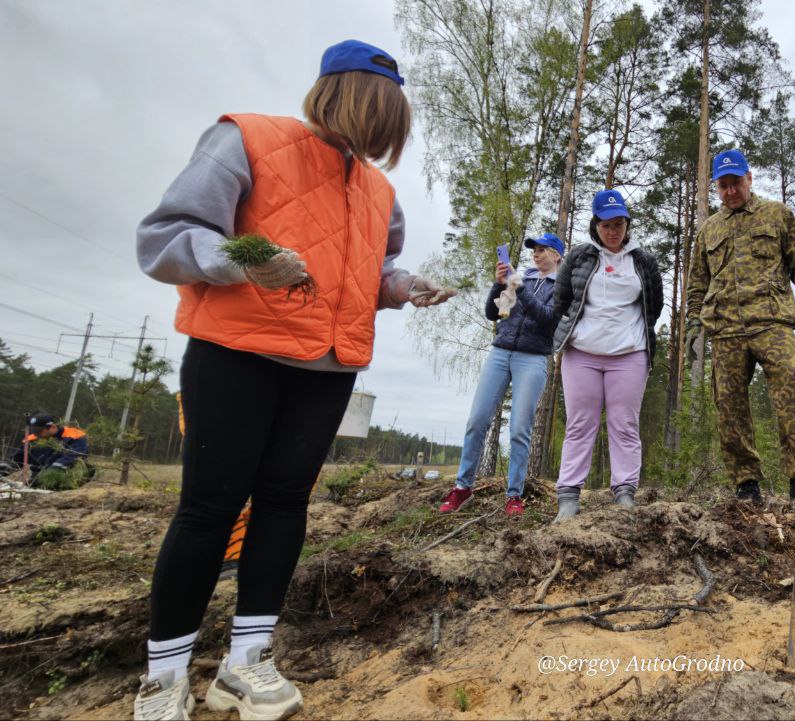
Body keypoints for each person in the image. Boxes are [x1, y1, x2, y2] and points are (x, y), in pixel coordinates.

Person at [134, 40, 454, 720]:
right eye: (377, 118)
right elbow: (165, 237)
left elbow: (365, 273)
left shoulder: (380, 192)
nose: (380, 138)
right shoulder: (246, 140)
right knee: (209, 507)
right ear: (344, 98)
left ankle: (246, 663)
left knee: (284, 504)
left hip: (326, 368)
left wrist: (403, 286)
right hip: (237, 352)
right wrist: (244, 260)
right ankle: (163, 677)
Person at [684, 149, 795, 516]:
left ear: (749, 179)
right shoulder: (709, 229)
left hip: (771, 322)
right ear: (716, 187)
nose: (730, 191)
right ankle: (746, 485)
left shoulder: (777, 214)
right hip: (726, 328)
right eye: (723, 185)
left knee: (792, 385)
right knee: (729, 405)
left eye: (736, 182)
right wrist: (692, 323)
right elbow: (697, 283)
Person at [550, 189, 662, 522]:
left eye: (618, 224)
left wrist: (629, 335)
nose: (612, 231)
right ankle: (569, 497)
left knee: (624, 424)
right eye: (605, 225)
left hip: (629, 355)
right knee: (579, 424)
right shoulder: (578, 257)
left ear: (627, 224)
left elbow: (653, 307)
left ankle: (625, 493)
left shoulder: (644, 262)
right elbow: (561, 302)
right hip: (581, 354)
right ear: (595, 226)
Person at [438, 232, 564, 518]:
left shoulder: (561, 287)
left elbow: (547, 320)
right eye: (534, 250)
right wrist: (499, 284)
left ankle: (514, 495)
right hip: (500, 352)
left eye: (542, 250)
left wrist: (520, 288)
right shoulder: (524, 278)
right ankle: (462, 488)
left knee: (519, 429)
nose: (536, 254)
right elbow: (492, 314)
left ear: (557, 255)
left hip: (533, 358)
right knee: (477, 420)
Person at [13, 413, 90, 481]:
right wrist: (10, 466)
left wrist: (53, 469)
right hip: (37, 477)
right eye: (34, 431)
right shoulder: (33, 438)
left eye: (39, 431)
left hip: (67, 477)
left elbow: (76, 455)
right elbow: (18, 458)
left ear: (53, 427)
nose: (36, 434)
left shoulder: (75, 435)